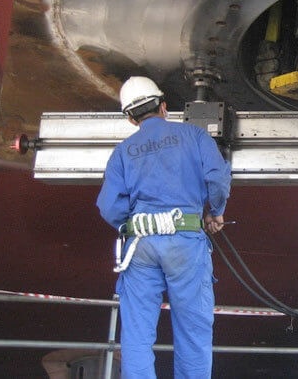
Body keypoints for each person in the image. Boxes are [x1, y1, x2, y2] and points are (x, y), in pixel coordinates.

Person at [96, 76, 231, 379]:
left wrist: (134, 223)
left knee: (137, 336)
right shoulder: (195, 136)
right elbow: (217, 179)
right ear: (163, 106)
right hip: (185, 242)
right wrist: (216, 211)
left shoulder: (122, 152)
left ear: (130, 118)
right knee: (193, 334)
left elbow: (108, 206)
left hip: (140, 246)